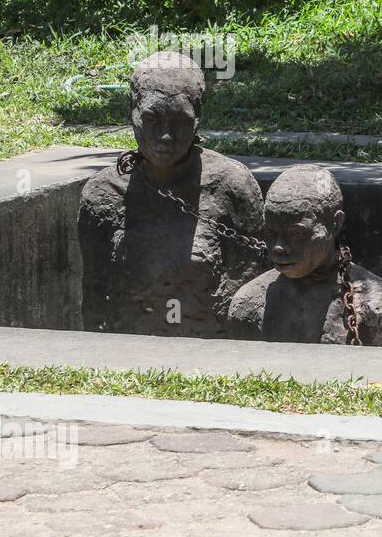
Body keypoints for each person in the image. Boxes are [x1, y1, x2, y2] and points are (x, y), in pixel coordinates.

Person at [77, 52, 264, 337]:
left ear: (197, 115)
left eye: (179, 121)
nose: (165, 137)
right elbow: (95, 298)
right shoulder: (104, 194)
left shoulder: (232, 186)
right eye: (152, 120)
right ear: (133, 110)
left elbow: (248, 297)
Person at [227, 165, 382, 348]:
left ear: (335, 224)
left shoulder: (378, 306)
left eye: (297, 234)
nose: (279, 247)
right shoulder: (248, 303)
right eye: (271, 233)